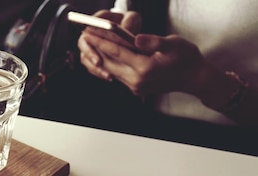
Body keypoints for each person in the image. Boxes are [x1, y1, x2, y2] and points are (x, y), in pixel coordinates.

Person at [75, 0, 258, 153]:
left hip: (237, 150)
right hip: (142, 136)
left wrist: (200, 80)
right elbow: (126, 15)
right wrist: (107, 43)